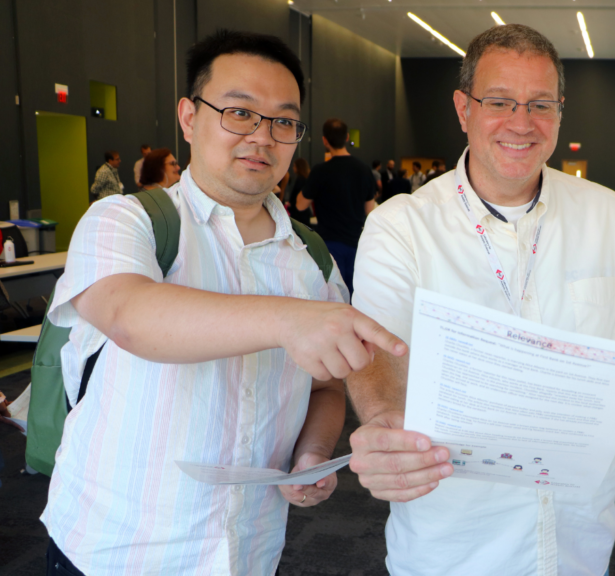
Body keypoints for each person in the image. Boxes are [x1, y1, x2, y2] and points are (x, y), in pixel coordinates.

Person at [40, 30, 406, 576]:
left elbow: (326, 386)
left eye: (283, 121)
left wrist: (311, 452)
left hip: (250, 551)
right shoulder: (127, 220)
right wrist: (288, 319)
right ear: (189, 117)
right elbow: (130, 316)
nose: (262, 137)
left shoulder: (310, 259)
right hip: (114, 550)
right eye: (239, 113)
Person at [346, 24, 615, 576]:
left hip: (577, 538)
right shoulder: (403, 225)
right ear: (463, 108)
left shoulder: (608, 216)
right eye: (500, 102)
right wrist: (382, 419)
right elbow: (376, 349)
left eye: (540, 104)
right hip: (453, 538)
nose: (521, 123)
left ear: (560, 112)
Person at [295, 118, 377, 292]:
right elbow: (371, 210)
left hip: (329, 246)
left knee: (334, 297)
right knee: (357, 295)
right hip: (357, 244)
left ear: (325, 140)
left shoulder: (320, 171)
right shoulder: (363, 169)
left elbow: (300, 205)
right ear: (347, 137)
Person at [288, 157, 312, 226]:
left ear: (298, 167)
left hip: (298, 213)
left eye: (294, 166)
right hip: (304, 211)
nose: (293, 168)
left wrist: (291, 204)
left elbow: (295, 195)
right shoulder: (307, 179)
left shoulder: (300, 180)